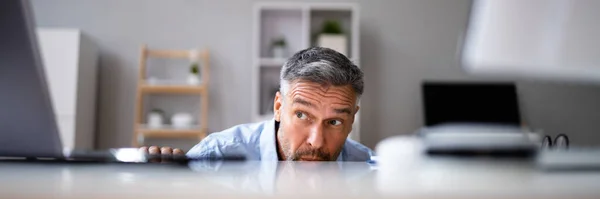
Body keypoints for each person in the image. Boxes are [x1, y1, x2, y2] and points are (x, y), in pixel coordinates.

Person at [140, 47, 373, 161]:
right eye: (302, 115)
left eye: (334, 121)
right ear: (279, 107)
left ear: (352, 118)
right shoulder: (217, 156)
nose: (316, 141)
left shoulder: (367, 169)